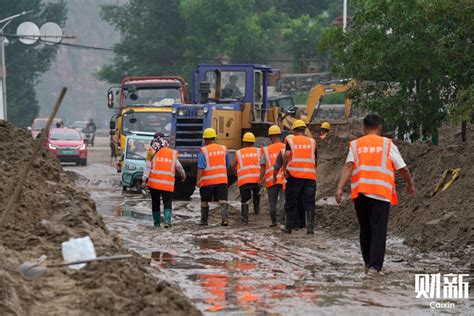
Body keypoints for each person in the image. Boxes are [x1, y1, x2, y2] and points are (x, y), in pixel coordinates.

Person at [335, 114, 415, 275]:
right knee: (378, 230)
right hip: (380, 193)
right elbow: (403, 168)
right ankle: (374, 267)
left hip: (361, 193)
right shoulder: (387, 145)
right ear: (379, 128)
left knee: (365, 229)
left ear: (364, 128)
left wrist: (339, 188)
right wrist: (409, 184)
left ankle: (367, 262)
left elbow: (349, 165)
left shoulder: (356, 145)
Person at [143, 132, 186, 228]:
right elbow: (178, 166)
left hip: (154, 183)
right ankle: (167, 222)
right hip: (168, 183)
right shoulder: (172, 153)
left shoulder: (151, 151)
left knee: (155, 203)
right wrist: (183, 175)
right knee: (167, 202)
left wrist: (144, 179)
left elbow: (147, 167)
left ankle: (157, 223)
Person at [282, 120, 317, 235]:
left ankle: (288, 228)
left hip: (294, 176)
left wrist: (285, 169)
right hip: (310, 176)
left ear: (293, 130)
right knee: (309, 203)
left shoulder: (290, 140)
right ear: (304, 130)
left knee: (291, 201)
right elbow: (315, 159)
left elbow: (287, 155)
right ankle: (310, 228)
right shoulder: (312, 142)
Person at [197, 128, 231, 226]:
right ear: (214, 138)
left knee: (204, 201)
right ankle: (225, 219)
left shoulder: (203, 151)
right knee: (222, 200)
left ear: (205, 139)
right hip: (221, 180)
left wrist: (198, 180)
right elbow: (227, 165)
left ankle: (204, 221)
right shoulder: (223, 149)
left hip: (207, 182)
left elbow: (201, 167)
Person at [260, 125, 286, 227]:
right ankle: (283, 222)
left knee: (272, 202)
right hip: (284, 179)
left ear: (270, 137)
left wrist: (260, 178)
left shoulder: (266, 150)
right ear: (280, 135)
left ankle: (274, 222)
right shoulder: (285, 146)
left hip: (271, 179)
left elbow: (263, 166)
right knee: (283, 201)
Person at [233, 132, 261, 225]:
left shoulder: (239, 153)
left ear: (243, 142)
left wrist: (236, 172)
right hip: (256, 179)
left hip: (244, 180)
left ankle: (245, 220)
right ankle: (257, 210)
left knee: (244, 200)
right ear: (253, 142)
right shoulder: (258, 151)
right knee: (256, 194)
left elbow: (233, 165)